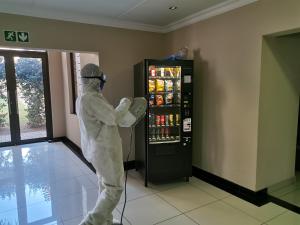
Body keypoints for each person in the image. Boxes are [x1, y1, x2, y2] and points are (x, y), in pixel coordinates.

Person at [76, 63, 136, 225]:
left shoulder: (84, 97)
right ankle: (91, 222)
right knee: (114, 189)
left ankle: (106, 220)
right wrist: (125, 102)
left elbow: (106, 119)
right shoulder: (91, 98)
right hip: (104, 150)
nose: (103, 81)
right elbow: (113, 117)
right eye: (102, 78)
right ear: (93, 80)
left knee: (105, 185)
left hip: (96, 149)